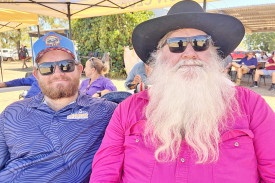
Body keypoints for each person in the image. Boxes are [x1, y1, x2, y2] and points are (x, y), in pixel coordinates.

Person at [90, 1, 275, 182]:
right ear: (158, 55)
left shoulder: (252, 106)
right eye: (176, 44)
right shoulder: (127, 111)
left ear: (214, 52)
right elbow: (104, 174)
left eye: (200, 43)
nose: (189, 53)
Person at [0, 32, 117, 182]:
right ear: (36, 74)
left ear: (79, 69)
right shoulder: (12, 113)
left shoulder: (104, 111)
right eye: (46, 68)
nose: (57, 73)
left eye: (66, 66)